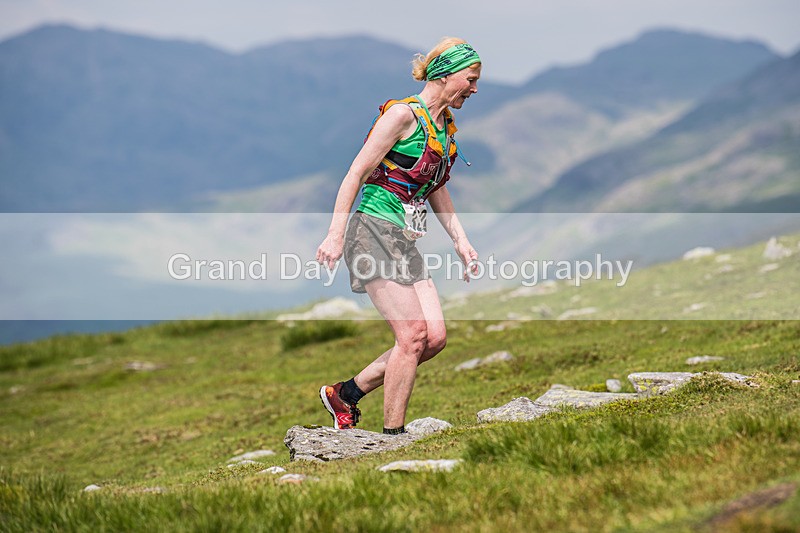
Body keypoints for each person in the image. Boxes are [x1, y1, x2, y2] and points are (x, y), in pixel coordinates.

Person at [316, 37, 481, 434]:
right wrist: (335, 234)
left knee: (434, 338)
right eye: (471, 79)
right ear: (445, 74)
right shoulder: (403, 115)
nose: (474, 89)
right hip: (371, 229)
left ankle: (346, 395)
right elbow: (355, 173)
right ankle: (393, 436)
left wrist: (460, 240)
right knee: (411, 335)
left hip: (402, 239)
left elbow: (435, 186)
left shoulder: (441, 127)